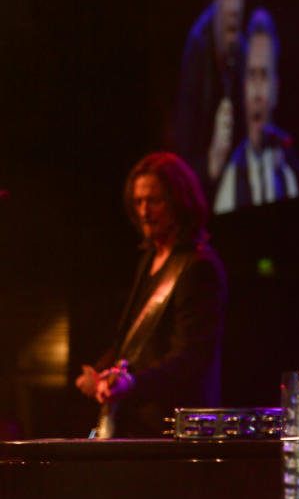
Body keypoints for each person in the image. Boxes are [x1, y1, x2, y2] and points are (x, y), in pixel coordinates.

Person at [74, 152, 227, 437]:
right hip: (137, 423)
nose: (144, 212)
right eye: (138, 202)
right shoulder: (150, 259)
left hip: (174, 430)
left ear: (180, 202)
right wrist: (101, 374)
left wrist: (133, 384)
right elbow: (131, 341)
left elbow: (191, 356)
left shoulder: (199, 266)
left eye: (154, 201)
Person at [175, 0, 248, 195]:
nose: (235, 5)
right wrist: (213, 159)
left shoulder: (244, 50)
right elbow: (181, 167)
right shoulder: (197, 48)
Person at [212, 8, 299, 214]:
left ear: (275, 90)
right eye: (252, 76)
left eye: (263, 76)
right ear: (243, 88)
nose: (257, 94)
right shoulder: (232, 181)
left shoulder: (288, 178)